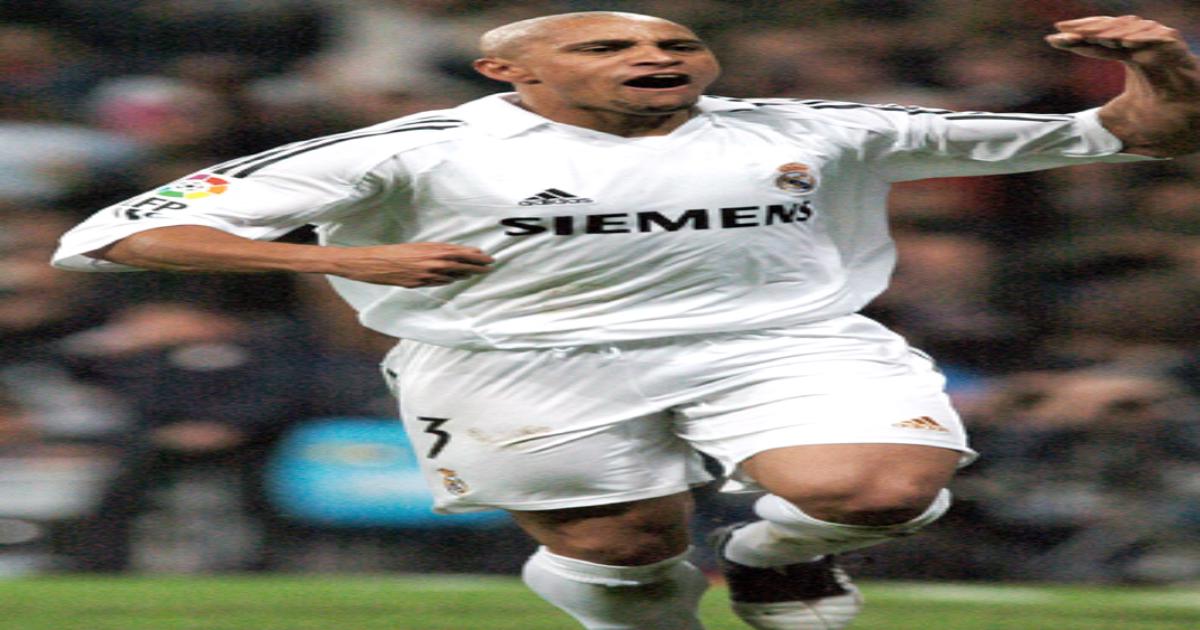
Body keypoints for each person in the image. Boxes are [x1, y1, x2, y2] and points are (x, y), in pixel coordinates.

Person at [51, 10, 1200, 629]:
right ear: (509, 71)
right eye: (608, 45)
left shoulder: (807, 126)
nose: (655, 55)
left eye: (675, 43)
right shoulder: (410, 149)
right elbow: (113, 237)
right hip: (514, 361)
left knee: (881, 490)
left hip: (779, 341)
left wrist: (1161, 67)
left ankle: (776, 560)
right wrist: (350, 256)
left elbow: (1134, 137)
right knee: (624, 552)